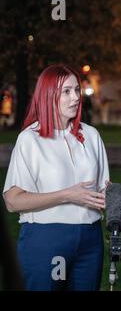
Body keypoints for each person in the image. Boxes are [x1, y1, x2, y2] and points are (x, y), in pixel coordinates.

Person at [2, 65, 109, 291]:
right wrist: (68, 195)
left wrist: (110, 197)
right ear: (48, 95)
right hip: (47, 238)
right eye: (66, 91)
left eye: (77, 90)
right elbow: (13, 201)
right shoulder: (30, 139)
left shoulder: (91, 135)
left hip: (91, 238)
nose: (75, 97)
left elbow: (103, 189)